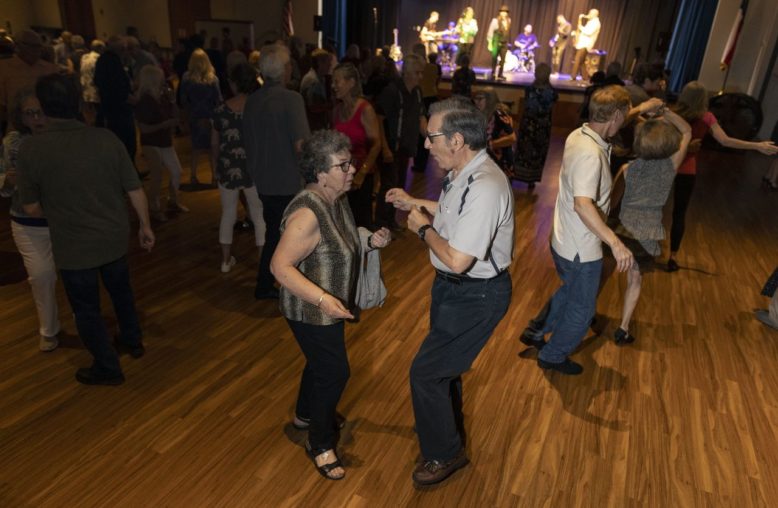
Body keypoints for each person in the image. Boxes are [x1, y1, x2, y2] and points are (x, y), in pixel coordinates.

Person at [385, 97, 514, 485]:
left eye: (431, 137)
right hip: (454, 292)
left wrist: (422, 229)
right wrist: (415, 203)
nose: (426, 144)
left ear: (457, 140)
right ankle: (446, 430)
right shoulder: (466, 173)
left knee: (425, 373)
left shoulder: (487, 185)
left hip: (475, 295)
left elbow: (458, 259)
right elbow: (452, 214)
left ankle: (444, 454)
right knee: (443, 369)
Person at [17, 74, 154, 385]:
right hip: (113, 239)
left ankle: (107, 366)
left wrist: (61, 212)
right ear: (78, 102)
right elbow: (135, 189)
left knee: (87, 309)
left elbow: (30, 208)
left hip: (73, 245)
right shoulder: (106, 139)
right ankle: (132, 340)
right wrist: (145, 225)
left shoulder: (31, 150)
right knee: (122, 293)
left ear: (43, 106)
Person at [270, 130, 391, 480]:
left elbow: (339, 243)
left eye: (349, 161)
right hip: (311, 311)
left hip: (330, 307)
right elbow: (279, 267)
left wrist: (369, 240)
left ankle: (304, 415)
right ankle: (320, 442)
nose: (352, 169)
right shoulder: (307, 213)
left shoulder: (335, 199)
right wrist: (325, 300)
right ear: (320, 173)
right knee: (335, 371)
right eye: (343, 165)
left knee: (321, 364)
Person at [519, 86, 658, 375]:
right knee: (582, 311)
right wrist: (615, 243)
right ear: (616, 116)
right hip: (581, 248)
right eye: (624, 115)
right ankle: (553, 356)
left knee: (570, 291)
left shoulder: (578, 134)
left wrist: (638, 109)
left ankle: (536, 331)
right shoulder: (591, 154)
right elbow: (583, 205)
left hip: (562, 239)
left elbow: (616, 117)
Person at [667, 81, 778, 272]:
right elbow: (726, 140)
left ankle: (645, 248)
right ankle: (673, 257)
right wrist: (757, 145)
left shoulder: (672, 113)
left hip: (667, 167)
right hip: (687, 170)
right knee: (679, 213)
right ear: (703, 99)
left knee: (654, 209)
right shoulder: (707, 117)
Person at [608, 108, 691, 344]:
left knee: (602, 273)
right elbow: (687, 130)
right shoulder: (670, 169)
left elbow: (612, 203)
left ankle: (587, 316)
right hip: (645, 234)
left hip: (619, 230)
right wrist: (666, 111)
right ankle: (623, 328)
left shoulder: (626, 169)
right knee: (635, 280)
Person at [243, 43, 310, 300]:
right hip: (288, 180)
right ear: (284, 70)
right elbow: (301, 145)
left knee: (275, 232)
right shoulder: (291, 99)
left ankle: (269, 283)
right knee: (288, 236)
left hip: (263, 179)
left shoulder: (253, 100)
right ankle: (280, 285)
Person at [0, 89, 60, 351]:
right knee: (42, 275)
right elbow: (2, 180)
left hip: (62, 219)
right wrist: (7, 181)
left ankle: (86, 322)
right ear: (21, 117)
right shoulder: (12, 143)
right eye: (30, 113)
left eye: (41, 112)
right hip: (27, 223)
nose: (37, 118)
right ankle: (48, 329)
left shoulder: (61, 138)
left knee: (75, 274)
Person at [211, 62, 266, 273]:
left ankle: (225, 261)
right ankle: (262, 260)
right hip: (253, 169)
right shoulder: (258, 109)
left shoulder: (220, 111)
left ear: (233, 83)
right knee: (258, 214)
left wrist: (216, 166)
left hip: (227, 168)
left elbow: (214, 143)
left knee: (228, 214)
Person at [374, 54, 427, 231]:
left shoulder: (418, 92)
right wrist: (385, 148)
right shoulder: (392, 91)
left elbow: (421, 118)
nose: (421, 77)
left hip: (406, 148)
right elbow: (378, 119)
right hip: (391, 147)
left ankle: (391, 221)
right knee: (389, 186)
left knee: (399, 186)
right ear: (407, 73)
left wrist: (432, 138)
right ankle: (381, 224)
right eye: (418, 73)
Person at [134, 64, 187, 223]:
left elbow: (176, 118)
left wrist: (173, 102)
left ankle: (173, 201)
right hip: (151, 142)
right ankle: (154, 207)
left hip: (164, 140)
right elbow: (143, 129)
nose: (163, 80)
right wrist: (164, 125)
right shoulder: (144, 100)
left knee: (177, 172)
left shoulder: (163, 96)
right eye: (160, 78)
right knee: (156, 174)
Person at [331, 62, 381, 227]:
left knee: (360, 226)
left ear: (351, 82)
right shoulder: (336, 111)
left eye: (337, 81)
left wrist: (361, 174)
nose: (333, 86)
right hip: (340, 177)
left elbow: (376, 145)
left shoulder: (365, 109)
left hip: (360, 178)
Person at [0, 30, 59, 133]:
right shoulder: (4, 68)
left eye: (39, 46)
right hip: (17, 130)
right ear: (18, 46)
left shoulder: (50, 69)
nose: (36, 50)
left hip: (48, 128)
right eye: (32, 46)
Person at [180, 48, 222, 186]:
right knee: (212, 147)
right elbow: (218, 100)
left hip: (194, 116)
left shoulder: (186, 78)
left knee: (195, 148)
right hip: (209, 117)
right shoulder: (212, 79)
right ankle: (214, 176)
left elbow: (183, 99)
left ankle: (193, 176)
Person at [94, 36, 137, 165]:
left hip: (112, 110)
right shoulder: (112, 62)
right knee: (126, 144)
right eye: (124, 49)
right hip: (118, 111)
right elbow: (118, 89)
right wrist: (131, 99)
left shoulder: (104, 60)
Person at [514, 63, 558, 187]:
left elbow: (528, 106)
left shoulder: (529, 89)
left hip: (528, 124)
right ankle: (531, 179)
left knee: (523, 149)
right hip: (542, 127)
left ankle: (516, 174)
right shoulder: (552, 92)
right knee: (538, 151)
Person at [473, 87, 515, 177]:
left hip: (500, 160)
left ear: (490, 99)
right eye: (475, 99)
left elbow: (512, 138)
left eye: (480, 99)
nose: (477, 102)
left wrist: (490, 144)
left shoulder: (499, 113)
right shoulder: (482, 113)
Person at [300, 48, 333, 131]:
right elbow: (314, 107)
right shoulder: (313, 81)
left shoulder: (319, 78)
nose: (330, 65)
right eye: (327, 62)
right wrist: (331, 105)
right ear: (320, 63)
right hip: (313, 127)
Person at [570, 9, 601, 81]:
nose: (588, 14)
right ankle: (585, 77)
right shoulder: (591, 22)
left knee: (577, 59)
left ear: (594, 14)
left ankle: (573, 76)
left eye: (590, 13)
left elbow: (588, 32)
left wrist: (580, 26)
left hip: (585, 44)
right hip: (583, 43)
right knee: (582, 62)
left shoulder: (595, 23)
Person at [487, 5, 511, 81]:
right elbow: (490, 32)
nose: (504, 13)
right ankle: (493, 73)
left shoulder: (509, 20)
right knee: (494, 58)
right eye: (502, 12)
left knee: (503, 59)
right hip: (496, 42)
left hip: (504, 42)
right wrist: (490, 42)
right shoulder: (495, 20)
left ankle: (500, 74)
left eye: (505, 12)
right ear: (500, 12)